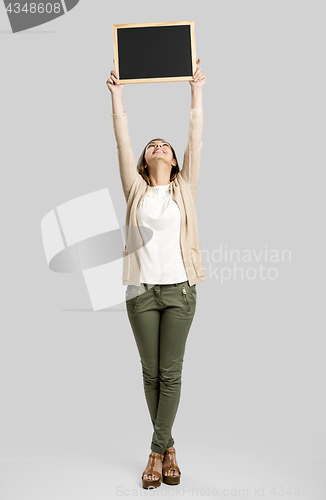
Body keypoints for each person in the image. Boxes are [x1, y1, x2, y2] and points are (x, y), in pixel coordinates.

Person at [106, 59, 206, 489]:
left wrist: (195, 93)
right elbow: (122, 144)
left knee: (172, 372)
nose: (160, 146)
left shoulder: (185, 188)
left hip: (180, 292)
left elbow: (195, 142)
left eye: (165, 144)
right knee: (150, 373)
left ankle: (155, 452)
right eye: (154, 145)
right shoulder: (135, 190)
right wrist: (117, 98)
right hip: (141, 293)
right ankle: (169, 450)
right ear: (146, 161)